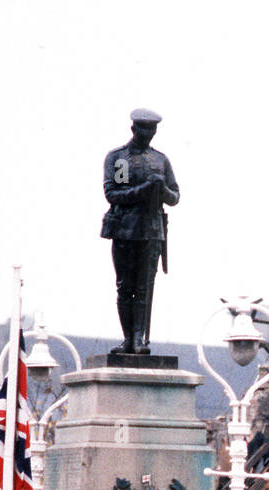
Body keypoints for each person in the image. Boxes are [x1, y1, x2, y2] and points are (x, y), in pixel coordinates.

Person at [101, 108, 180, 355]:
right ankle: (128, 339)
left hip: (151, 231)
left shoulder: (160, 160)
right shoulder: (121, 159)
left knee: (145, 286)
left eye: (152, 129)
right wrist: (145, 189)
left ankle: (138, 339)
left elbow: (175, 196)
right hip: (125, 230)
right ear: (134, 128)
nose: (149, 133)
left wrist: (161, 189)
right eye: (145, 129)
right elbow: (114, 194)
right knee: (125, 287)